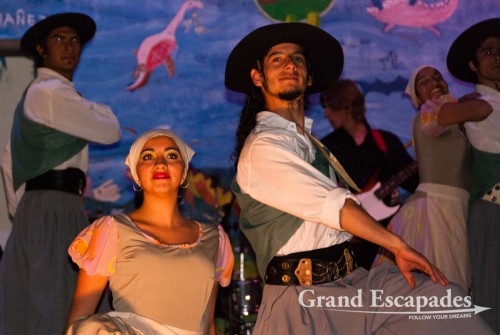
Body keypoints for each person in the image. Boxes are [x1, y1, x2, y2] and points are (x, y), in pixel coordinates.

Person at [225, 22, 494, 334]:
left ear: (310, 77)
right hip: (302, 299)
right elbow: (337, 207)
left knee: (446, 304)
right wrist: (398, 246)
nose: (289, 64)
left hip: (354, 280)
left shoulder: (314, 146)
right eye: (277, 59)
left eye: (298, 59)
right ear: (257, 77)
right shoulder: (263, 146)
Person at [0, 13, 121, 335]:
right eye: (58, 39)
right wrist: (38, 209)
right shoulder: (50, 91)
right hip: (53, 205)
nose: (69, 47)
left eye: (74, 40)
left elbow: (9, 159)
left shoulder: (44, 93)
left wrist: (24, 209)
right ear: (41, 49)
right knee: (58, 301)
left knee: (52, 299)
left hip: (48, 205)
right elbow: (110, 131)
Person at [64, 129, 234, 334]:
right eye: (148, 156)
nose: (160, 163)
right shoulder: (111, 231)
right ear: (136, 175)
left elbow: (208, 325)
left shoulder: (214, 239)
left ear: (183, 174)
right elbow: (79, 323)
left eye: (172, 155)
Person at [372, 65, 490, 291]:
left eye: (437, 77)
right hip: (436, 210)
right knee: (446, 288)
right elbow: (483, 109)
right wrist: (473, 99)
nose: (434, 82)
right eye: (424, 82)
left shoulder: (450, 119)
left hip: (453, 208)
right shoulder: (431, 111)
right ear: (417, 97)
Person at [320, 79, 419, 270]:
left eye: (330, 107)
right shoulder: (326, 148)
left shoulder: (386, 141)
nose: (326, 113)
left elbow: (415, 184)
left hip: (388, 238)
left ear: (346, 107)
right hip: (347, 242)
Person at [445, 18, 500, 333]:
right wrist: (452, 104)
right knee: (491, 299)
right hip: (491, 211)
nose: (496, 57)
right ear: (473, 64)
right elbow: (435, 116)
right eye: (488, 52)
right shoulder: (479, 104)